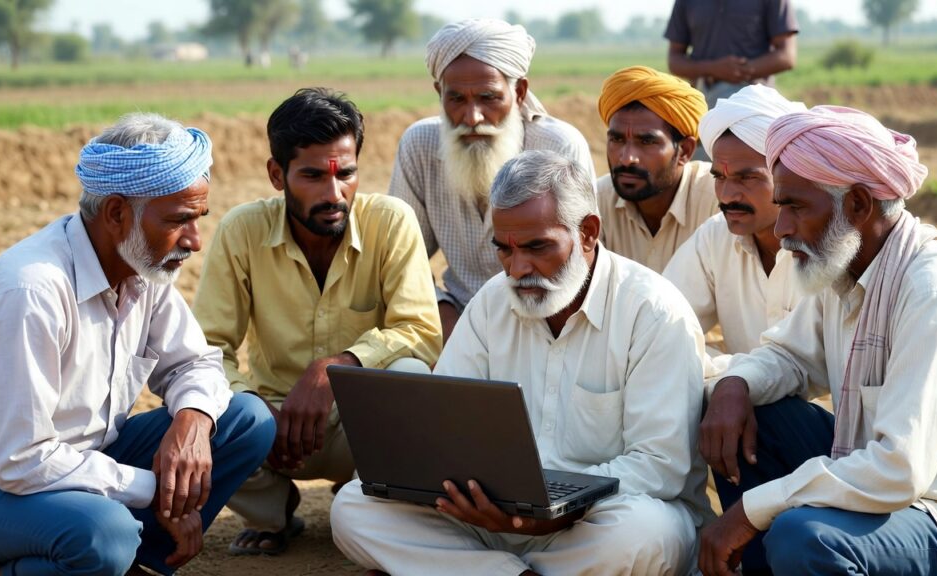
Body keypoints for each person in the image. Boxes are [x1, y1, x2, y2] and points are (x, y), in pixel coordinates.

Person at [333, 150, 710, 576]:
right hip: (492, 517)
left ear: (587, 232)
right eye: (504, 250)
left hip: (592, 522)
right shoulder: (493, 301)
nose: (518, 268)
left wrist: (553, 508)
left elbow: (658, 467)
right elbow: (449, 428)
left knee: (644, 535)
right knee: (353, 507)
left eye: (537, 247)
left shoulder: (654, 312)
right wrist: (476, 497)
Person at [0, 113, 276, 576]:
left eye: (198, 219)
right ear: (117, 213)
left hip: (91, 461)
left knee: (246, 420)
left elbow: (196, 363)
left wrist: (192, 421)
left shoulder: (144, 263)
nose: (195, 241)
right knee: (106, 533)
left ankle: (141, 562)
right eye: (180, 220)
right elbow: (20, 460)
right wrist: (155, 489)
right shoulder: (32, 291)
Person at [698, 106, 937, 576]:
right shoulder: (847, 265)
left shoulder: (932, 289)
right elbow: (789, 357)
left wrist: (753, 508)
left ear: (859, 205)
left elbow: (899, 469)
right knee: (748, 415)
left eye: (795, 207)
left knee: (804, 539)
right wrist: (732, 385)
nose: (781, 229)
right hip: (873, 476)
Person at [192, 88, 442, 556]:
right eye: (311, 176)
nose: (334, 193)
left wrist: (335, 368)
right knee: (205, 407)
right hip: (276, 436)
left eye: (346, 174)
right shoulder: (241, 231)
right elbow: (206, 348)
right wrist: (252, 410)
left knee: (413, 380)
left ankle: (369, 501)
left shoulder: (391, 222)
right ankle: (273, 511)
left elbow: (422, 334)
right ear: (276, 174)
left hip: (359, 429)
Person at [390, 18, 596, 342]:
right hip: (453, 320)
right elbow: (400, 260)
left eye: (488, 97)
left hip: (546, 321)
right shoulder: (420, 145)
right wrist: (446, 318)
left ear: (519, 92)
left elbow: (581, 264)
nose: (472, 118)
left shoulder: (559, 146)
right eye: (456, 99)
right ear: (439, 92)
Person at [663, 84, 807, 375]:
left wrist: (729, 375)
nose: (727, 195)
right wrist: (730, 377)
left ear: (788, 175)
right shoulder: (716, 237)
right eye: (719, 177)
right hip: (737, 403)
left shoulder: (827, 246)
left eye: (747, 178)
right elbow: (661, 328)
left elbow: (812, 370)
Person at [595, 65, 717, 272]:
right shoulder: (595, 202)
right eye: (617, 139)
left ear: (685, 151)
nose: (626, 159)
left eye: (646, 142)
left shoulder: (717, 201)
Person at [665, 0, 799, 109]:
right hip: (704, 104)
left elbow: (786, 56)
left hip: (754, 103)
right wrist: (712, 69)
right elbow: (674, 60)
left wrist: (738, 71)